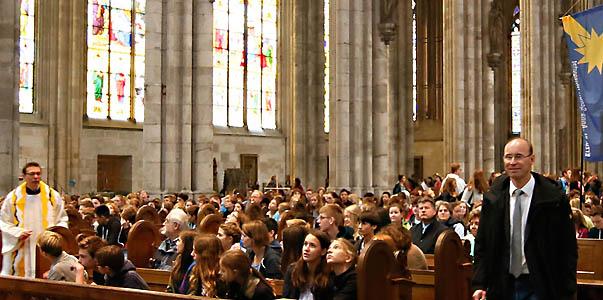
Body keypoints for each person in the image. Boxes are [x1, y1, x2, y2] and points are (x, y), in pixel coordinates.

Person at [472, 138, 577, 300]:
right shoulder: (493, 197)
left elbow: (567, 247)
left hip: (540, 283)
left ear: (532, 159)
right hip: (501, 283)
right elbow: (482, 244)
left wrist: (567, 291)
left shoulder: (553, 198)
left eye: (519, 156)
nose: (513, 162)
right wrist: (479, 283)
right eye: (508, 157)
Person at [0, 162, 68, 277]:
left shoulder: (52, 196)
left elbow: (62, 219)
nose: (36, 177)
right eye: (32, 174)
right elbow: (4, 222)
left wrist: (52, 236)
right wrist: (17, 233)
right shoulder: (13, 198)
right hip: (22, 245)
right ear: (24, 176)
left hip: (46, 247)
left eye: (38, 174)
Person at [283, 229, 334, 299]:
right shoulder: (293, 270)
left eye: (312, 245)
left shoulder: (330, 275)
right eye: (305, 244)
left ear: (323, 251)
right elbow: (286, 298)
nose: (306, 249)